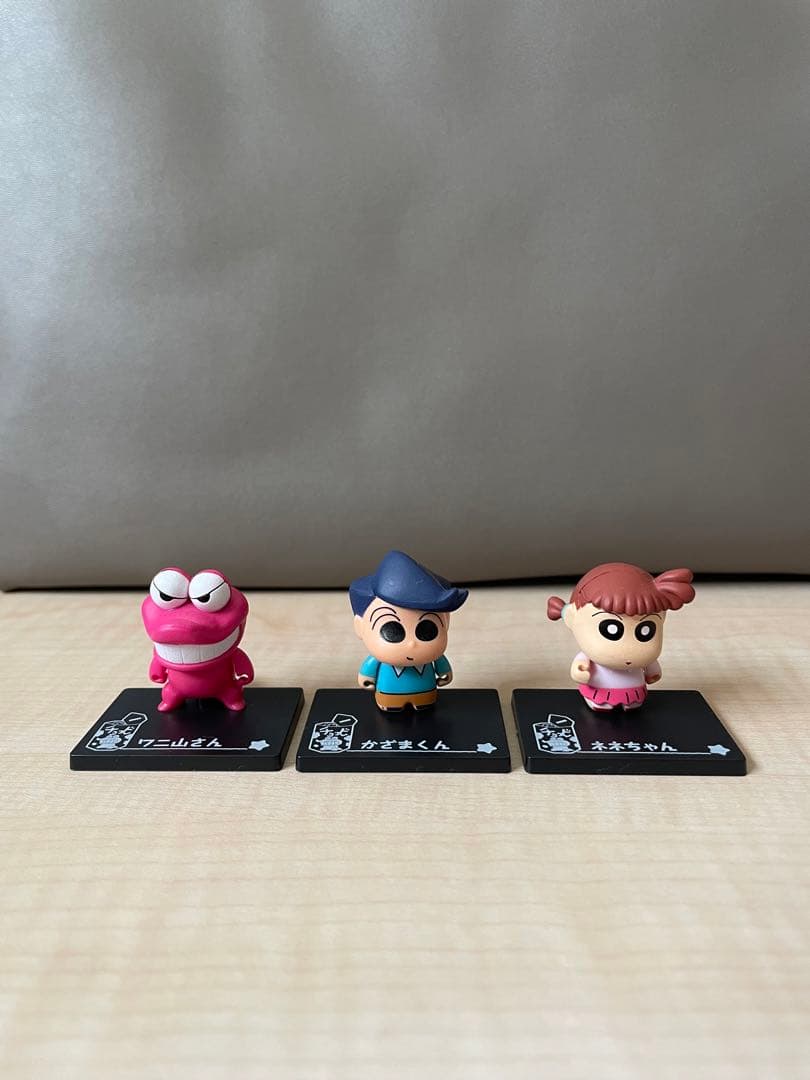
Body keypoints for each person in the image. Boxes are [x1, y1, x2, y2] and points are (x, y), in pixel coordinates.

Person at [548, 563, 695, 711]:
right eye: (611, 630)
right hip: (600, 689)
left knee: (633, 704)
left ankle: (630, 705)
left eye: (646, 630)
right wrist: (580, 672)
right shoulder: (586, 657)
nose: (630, 648)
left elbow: (652, 670)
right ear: (572, 618)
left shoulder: (644, 659)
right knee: (603, 705)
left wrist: (652, 672)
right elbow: (579, 667)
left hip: (634, 690)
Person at [350, 550, 468, 712]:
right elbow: (370, 667)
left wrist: (444, 672)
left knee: (424, 704)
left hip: (425, 692)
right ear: (360, 627)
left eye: (427, 630)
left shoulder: (432, 657)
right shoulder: (380, 660)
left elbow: (441, 663)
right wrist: (366, 677)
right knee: (392, 705)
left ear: (446, 623)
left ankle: (422, 702)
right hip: (389, 692)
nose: (412, 644)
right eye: (392, 631)